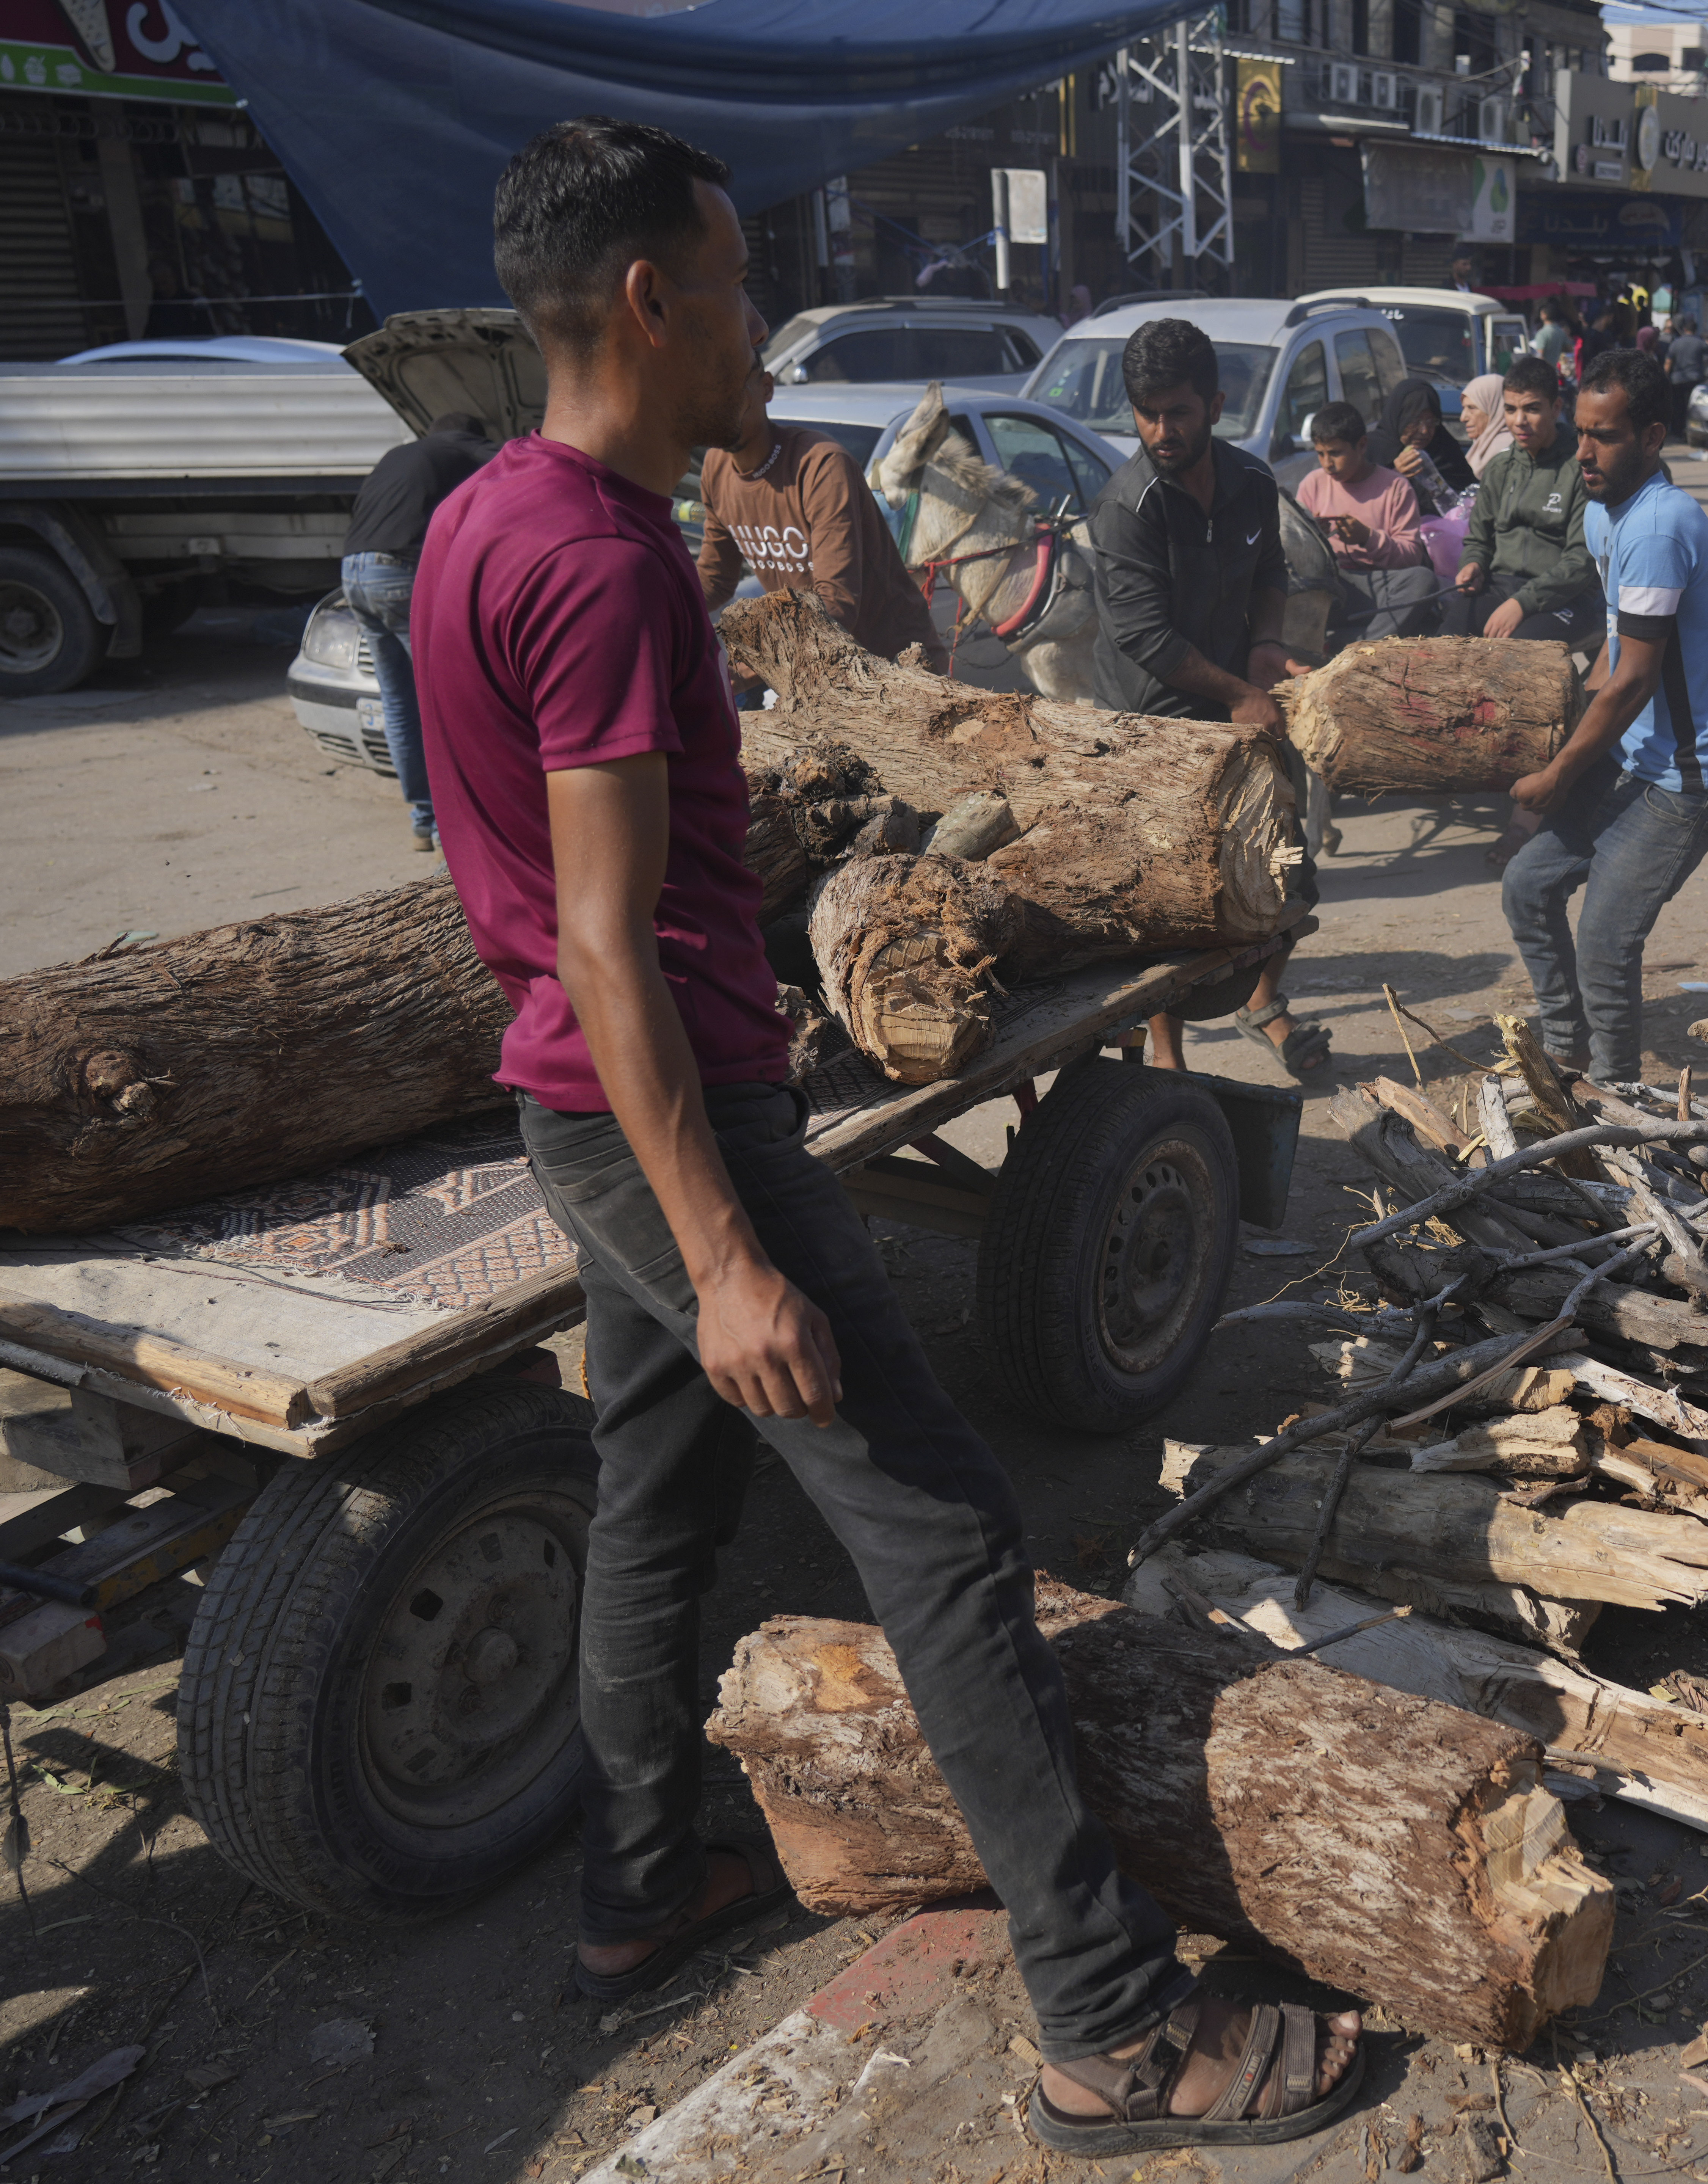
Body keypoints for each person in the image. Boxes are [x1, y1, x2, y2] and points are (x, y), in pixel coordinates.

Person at [413, 119, 1361, 2151]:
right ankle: (1115, 2031)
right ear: (652, 300)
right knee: (944, 1539)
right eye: (742, 281)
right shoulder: (595, 563)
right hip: (671, 1124)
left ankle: (643, 1885)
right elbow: (604, 941)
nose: (765, 323)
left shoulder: (490, 515)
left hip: (586, 1110)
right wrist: (732, 1248)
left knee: (656, 1501)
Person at [1082, 317, 1331, 1077]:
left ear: (1215, 404)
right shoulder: (1129, 508)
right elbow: (1147, 639)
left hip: (1237, 696)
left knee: (1289, 870)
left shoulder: (1255, 484)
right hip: (1154, 716)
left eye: (1178, 412)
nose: (1161, 429)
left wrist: (1264, 647)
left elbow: (1271, 578)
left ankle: (1261, 1004)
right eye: (1147, 412)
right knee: (1171, 899)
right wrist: (1237, 695)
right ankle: (1166, 1056)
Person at [1500, 347, 1708, 1084]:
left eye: (1603, 436)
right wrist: (1566, 745)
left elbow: (1633, 681)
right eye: (1580, 432)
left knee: (1606, 940)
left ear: (1651, 437)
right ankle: (1568, 1045)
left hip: (1688, 779)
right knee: (1526, 886)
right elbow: (1611, 657)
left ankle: (1615, 1101)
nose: (1584, 452)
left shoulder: (1659, 526)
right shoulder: (1609, 514)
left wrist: (1557, 776)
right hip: (1632, 759)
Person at [341, 408, 499, 850]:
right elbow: (526, 462)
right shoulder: (465, 447)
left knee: (399, 703)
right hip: (398, 574)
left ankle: (424, 820)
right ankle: (452, 835)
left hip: (353, 571)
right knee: (443, 703)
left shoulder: (402, 454)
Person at [694, 384, 936, 668]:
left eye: (735, 385)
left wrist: (743, 671)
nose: (723, 400)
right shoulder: (716, 468)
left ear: (766, 387)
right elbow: (715, 582)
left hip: (895, 664)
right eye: (714, 387)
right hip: (811, 667)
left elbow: (836, 605)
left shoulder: (822, 465)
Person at [1448, 356, 1596, 645]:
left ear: (1556, 408)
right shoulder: (1499, 468)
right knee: (1444, 645)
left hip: (1566, 597)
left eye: (1532, 409)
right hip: (1500, 587)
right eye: (1510, 410)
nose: (1519, 421)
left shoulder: (1582, 469)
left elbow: (1582, 560)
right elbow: (1479, 540)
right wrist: (1473, 565)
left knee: (1516, 657)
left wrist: (1523, 603)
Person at [1297, 399, 1441, 641]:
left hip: (1378, 588)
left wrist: (1368, 538)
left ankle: (1359, 646)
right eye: (1320, 454)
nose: (1327, 464)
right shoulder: (1313, 484)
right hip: (1331, 585)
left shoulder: (1395, 487)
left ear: (1362, 445)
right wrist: (1315, 538)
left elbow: (1411, 556)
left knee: (1422, 581)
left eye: (1335, 453)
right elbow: (1296, 554)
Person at [1366, 377, 1474, 517]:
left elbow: (1470, 498)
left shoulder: (1446, 452)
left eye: (1431, 422)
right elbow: (1362, 504)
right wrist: (1395, 476)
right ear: (1399, 417)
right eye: (1415, 421)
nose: (1424, 431)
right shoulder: (1370, 452)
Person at [1458, 370, 1509, 475]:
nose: (1463, 418)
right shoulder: (1483, 447)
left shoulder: (1506, 451)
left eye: (1472, 408)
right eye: (1464, 408)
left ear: (1494, 408)